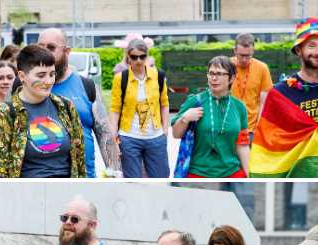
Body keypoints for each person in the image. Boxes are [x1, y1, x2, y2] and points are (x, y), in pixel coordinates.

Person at [249, 19, 318, 178]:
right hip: (295, 178)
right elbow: (267, 143)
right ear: (299, 49)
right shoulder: (279, 94)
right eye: (312, 45)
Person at [0, 45, 86, 178]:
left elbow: (79, 159)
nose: (48, 81)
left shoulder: (65, 106)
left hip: (66, 190)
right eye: (41, 75)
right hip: (27, 193)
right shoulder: (5, 113)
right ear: (22, 76)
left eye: (52, 74)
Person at [37, 28, 121, 178]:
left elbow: (106, 138)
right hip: (40, 183)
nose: (44, 53)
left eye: (51, 47)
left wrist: (115, 174)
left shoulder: (87, 87)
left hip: (83, 182)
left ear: (67, 52)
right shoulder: (23, 88)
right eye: (40, 47)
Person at [171, 56, 250, 178]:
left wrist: (250, 176)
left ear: (231, 78)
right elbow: (176, 134)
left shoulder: (239, 107)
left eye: (219, 74)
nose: (214, 78)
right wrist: (184, 118)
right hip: (197, 173)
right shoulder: (195, 101)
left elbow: (242, 145)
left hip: (232, 172)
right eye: (211, 73)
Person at [109, 38, 170, 178]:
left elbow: (164, 104)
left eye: (142, 56)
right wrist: (114, 136)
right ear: (128, 57)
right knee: (132, 181)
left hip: (155, 136)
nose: (138, 61)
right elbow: (115, 109)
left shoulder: (158, 76)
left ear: (147, 56)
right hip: (129, 138)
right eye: (134, 57)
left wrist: (165, 130)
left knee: (161, 178)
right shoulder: (120, 78)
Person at [230, 33, 273, 143]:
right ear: (234, 51)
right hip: (228, 127)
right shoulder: (227, 65)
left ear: (253, 52)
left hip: (252, 130)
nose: (244, 59)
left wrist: (259, 124)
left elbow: (265, 101)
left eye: (248, 56)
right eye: (241, 55)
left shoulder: (262, 68)